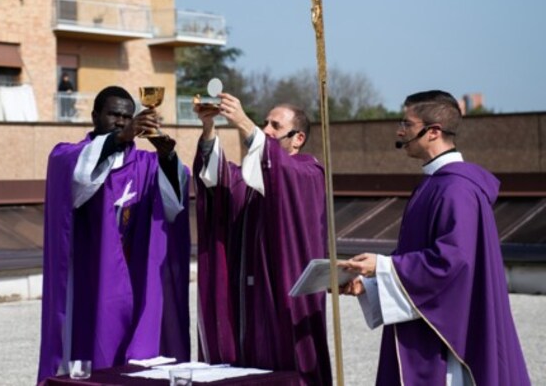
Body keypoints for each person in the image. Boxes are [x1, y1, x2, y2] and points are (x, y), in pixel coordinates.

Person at [340, 90, 530, 385]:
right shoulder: (435, 184)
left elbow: (453, 263)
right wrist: (370, 284)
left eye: (407, 124)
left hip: (448, 341)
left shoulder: (456, 189)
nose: (399, 131)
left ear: (433, 132)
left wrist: (383, 266)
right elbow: (422, 255)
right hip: (433, 323)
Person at [38, 86, 191, 382]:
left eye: (126, 117)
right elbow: (79, 181)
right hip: (87, 279)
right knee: (87, 360)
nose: (121, 122)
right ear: (95, 116)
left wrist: (167, 156)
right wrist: (121, 138)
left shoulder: (146, 165)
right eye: (114, 115)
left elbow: (173, 205)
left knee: (135, 360)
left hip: (135, 279)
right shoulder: (69, 155)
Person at [194, 93, 331, 385]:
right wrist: (209, 127)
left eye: (275, 126)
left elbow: (281, 171)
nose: (267, 130)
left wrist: (243, 122)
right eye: (264, 123)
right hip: (245, 298)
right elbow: (219, 180)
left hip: (280, 294)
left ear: (298, 139)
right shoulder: (250, 176)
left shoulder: (308, 172)